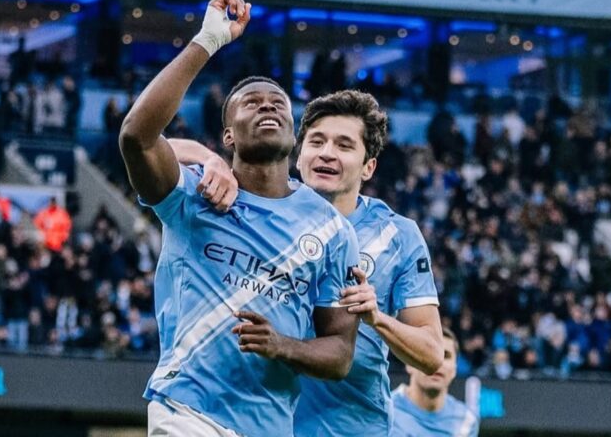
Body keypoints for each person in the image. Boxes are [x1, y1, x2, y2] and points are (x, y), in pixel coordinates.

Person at [118, 0, 360, 437]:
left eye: (279, 104)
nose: (268, 105)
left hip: (270, 425)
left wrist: (282, 345)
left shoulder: (331, 230)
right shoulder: (195, 194)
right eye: (251, 103)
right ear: (228, 135)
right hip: (187, 411)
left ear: (293, 133)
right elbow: (137, 136)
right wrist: (208, 40)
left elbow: (340, 354)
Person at [170, 89, 444, 436]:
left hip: (350, 428)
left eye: (344, 145)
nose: (327, 153)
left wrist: (377, 319)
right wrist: (211, 160)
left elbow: (432, 353)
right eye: (316, 141)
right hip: (257, 420)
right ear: (298, 155)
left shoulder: (397, 235)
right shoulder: (259, 201)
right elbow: (148, 147)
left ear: (368, 167)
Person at [390, 328, 479, 437]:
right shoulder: (384, 411)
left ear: (454, 369)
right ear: (409, 363)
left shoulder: (466, 421)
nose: (437, 363)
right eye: (428, 353)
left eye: (446, 356)